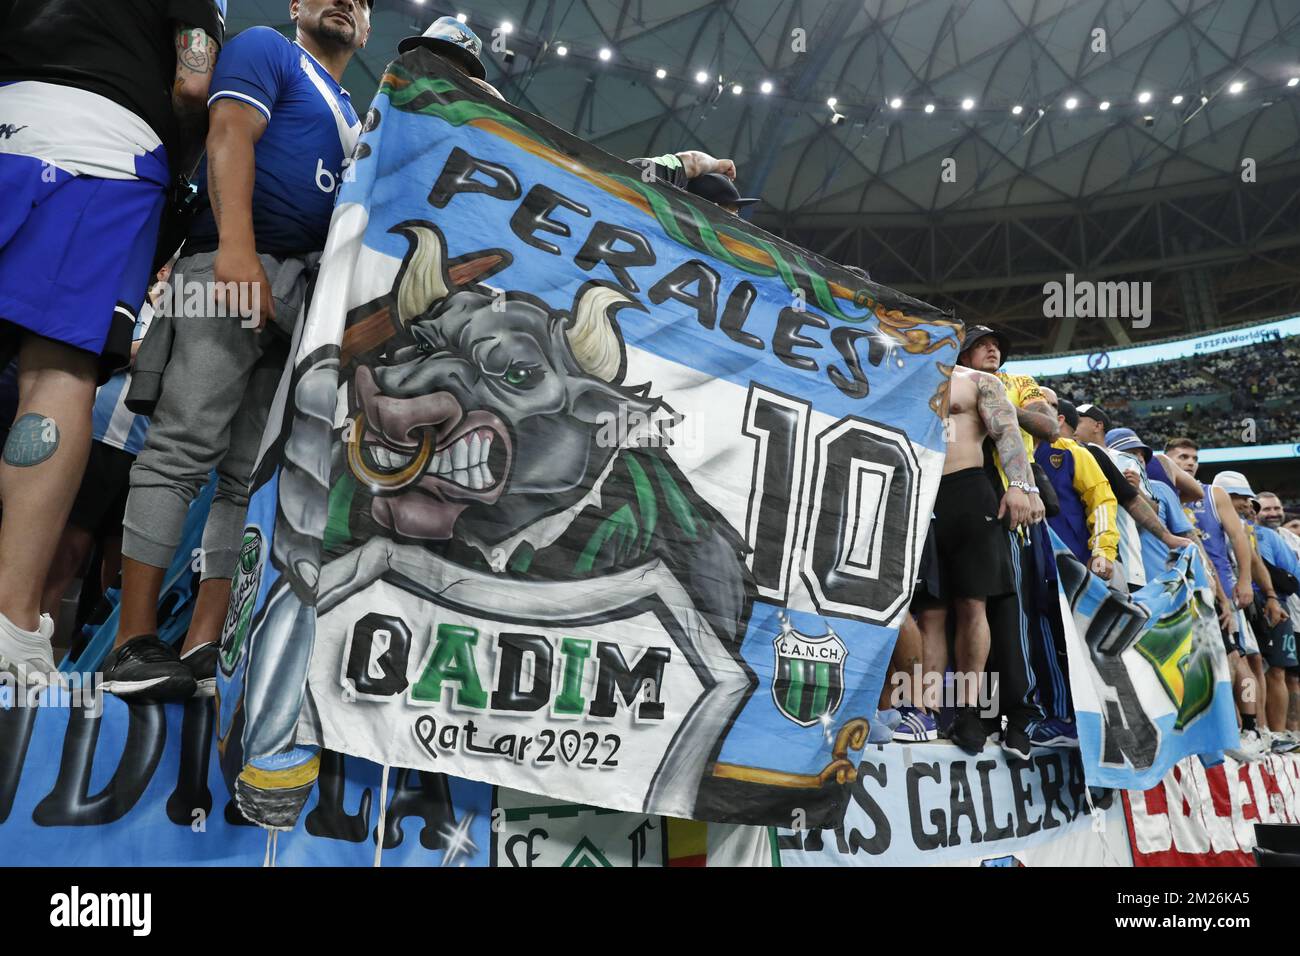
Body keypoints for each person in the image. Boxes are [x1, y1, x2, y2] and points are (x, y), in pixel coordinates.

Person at [104, 0, 383, 699]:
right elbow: (229, 132)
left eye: (364, 1)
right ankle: (131, 642)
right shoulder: (268, 50)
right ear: (297, 6)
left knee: (245, 478)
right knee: (182, 448)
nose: (347, 2)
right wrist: (234, 251)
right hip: (233, 265)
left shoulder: (357, 113)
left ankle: (204, 646)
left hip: (304, 299)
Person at [0, 0, 224, 680]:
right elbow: (194, 83)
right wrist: (180, 165)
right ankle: (10, 626)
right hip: (105, 149)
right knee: (56, 373)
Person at [41, 264, 171, 637]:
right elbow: (104, 351)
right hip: (99, 441)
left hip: (147, 456)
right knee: (68, 554)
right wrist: (150, 348)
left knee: (119, 573)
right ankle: (32, 652)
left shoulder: (187, 315)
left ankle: (92, 661)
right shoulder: (129, 306)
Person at [936, 359, 1044, 758]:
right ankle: (925, 710)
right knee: (928, 612)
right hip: (915, 492)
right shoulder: (902, 371)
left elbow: (1007, 430)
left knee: (973, 604)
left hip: (966, 488)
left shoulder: (978, 381)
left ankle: (970, 710)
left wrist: (1020, 485)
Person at [1165, 439, 1267, 757]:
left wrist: (1245, 582)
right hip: (1177, 591)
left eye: (1195, 457)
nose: (1191, 462)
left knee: (1235, 657)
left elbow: (1239, 537)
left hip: (1219, 590)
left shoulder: (1213, 494)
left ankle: (1251, 728)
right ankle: (1216, 731)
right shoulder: (1158, 490)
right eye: (1183, 457)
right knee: (1194, 665)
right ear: (1167, 460)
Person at [1216, 472, 1297, 748]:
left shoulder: (1251, 531)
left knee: (1259, 665)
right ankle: (1249, 728)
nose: (1245, 504)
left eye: (1247, 499)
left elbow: (1265, 565)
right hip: (1230, 600)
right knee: (1244, 663)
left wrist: (1272, 597)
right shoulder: (1207, 519)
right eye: (1239, 498)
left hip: (1248, 603)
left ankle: (1264, 730)